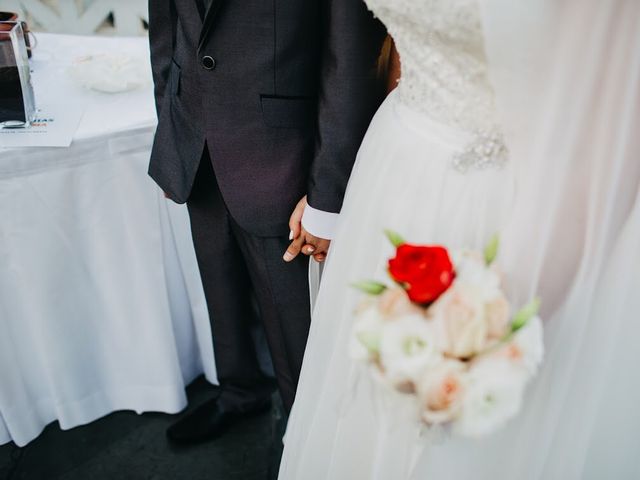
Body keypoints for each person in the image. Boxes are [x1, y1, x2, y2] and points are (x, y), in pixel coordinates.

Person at [279, 0, 640, 478]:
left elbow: (608, 137)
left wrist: (485, 315)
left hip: (507, 199)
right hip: (392, 168)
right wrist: (336, 186)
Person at [147, 0, 386, 444]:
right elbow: (166, 28)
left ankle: (305, 439)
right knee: (221, 294)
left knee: (295, 331)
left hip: (285, 163)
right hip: (196, 145)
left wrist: (327, 196)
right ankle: (241, 393)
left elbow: (350, 59)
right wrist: (172, 136)